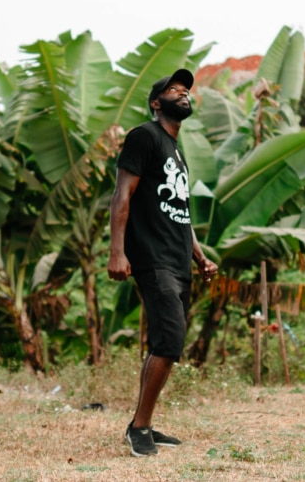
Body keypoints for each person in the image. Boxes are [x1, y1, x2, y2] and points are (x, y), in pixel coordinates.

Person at [108, 67, 218, 457]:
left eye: (186, 89)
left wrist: (200, 256)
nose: (183, 93)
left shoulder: (176, 152)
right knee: (170, 341)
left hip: (177, 259)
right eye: (174, 89)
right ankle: (139, 428)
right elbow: (122, 195)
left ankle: (143, 424)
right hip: (152, 257)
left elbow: (180, 212)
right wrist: (117, 251)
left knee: (165, 342)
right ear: (156, 103)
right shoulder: (144, 136)